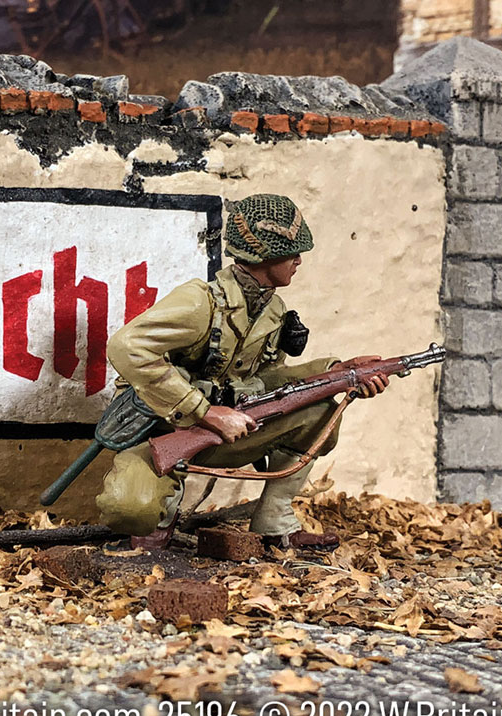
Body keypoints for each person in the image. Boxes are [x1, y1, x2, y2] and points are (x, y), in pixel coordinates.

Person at [96, 193, 388, 551]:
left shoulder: (273, 311)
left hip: (224, 436)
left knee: (319, 413)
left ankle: (275, 520)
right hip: (159, 434)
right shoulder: (199, 302)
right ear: (263, 256)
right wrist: (204, 412)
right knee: (128, 509)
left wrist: (337, 373)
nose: (298, 261)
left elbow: (267, 381)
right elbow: (126, 347)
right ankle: (161, 512)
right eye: (291, 252)